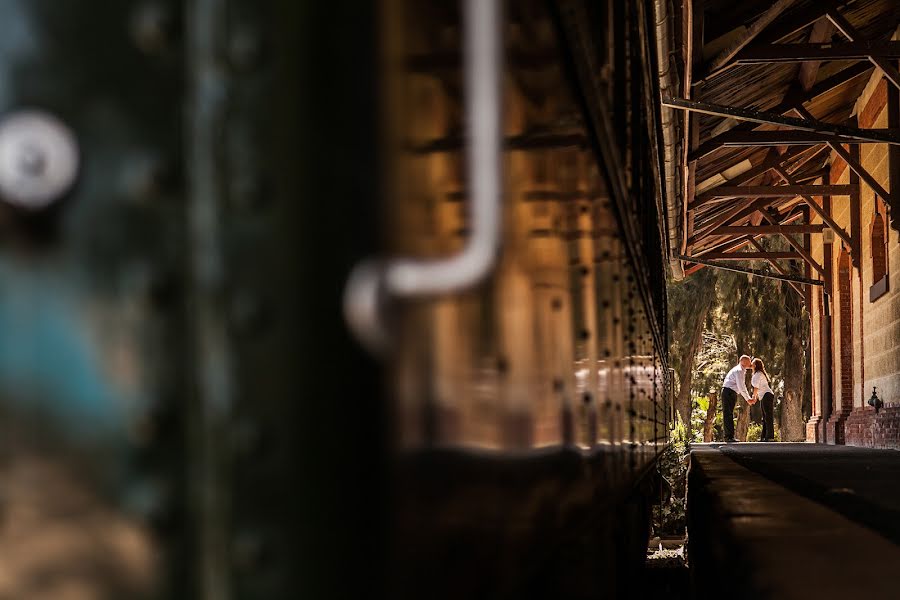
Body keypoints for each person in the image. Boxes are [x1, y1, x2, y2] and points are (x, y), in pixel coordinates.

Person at [721, 355, 752, 442]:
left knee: (729, 414)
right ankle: (728, 437)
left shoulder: (742, 370)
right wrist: (748, 399)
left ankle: (729, 436)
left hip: (731, 392)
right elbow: (741, 386)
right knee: (728, 414)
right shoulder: (739, 371)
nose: (750, 363)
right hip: (729, 392)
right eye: (749, 361)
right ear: (744, 362)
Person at [751, 357, 775, 442]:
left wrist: (753, 398)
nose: (751, 365)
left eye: (753, 363)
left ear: (756, 365)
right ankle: (764, 436)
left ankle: (770, 436)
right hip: (764, 396)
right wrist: (756, 397)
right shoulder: (757, 374)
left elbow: (756, 388)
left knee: (768, 416)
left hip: (766, 395)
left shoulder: (758, 374)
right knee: (764, 417)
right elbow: (758, 388)